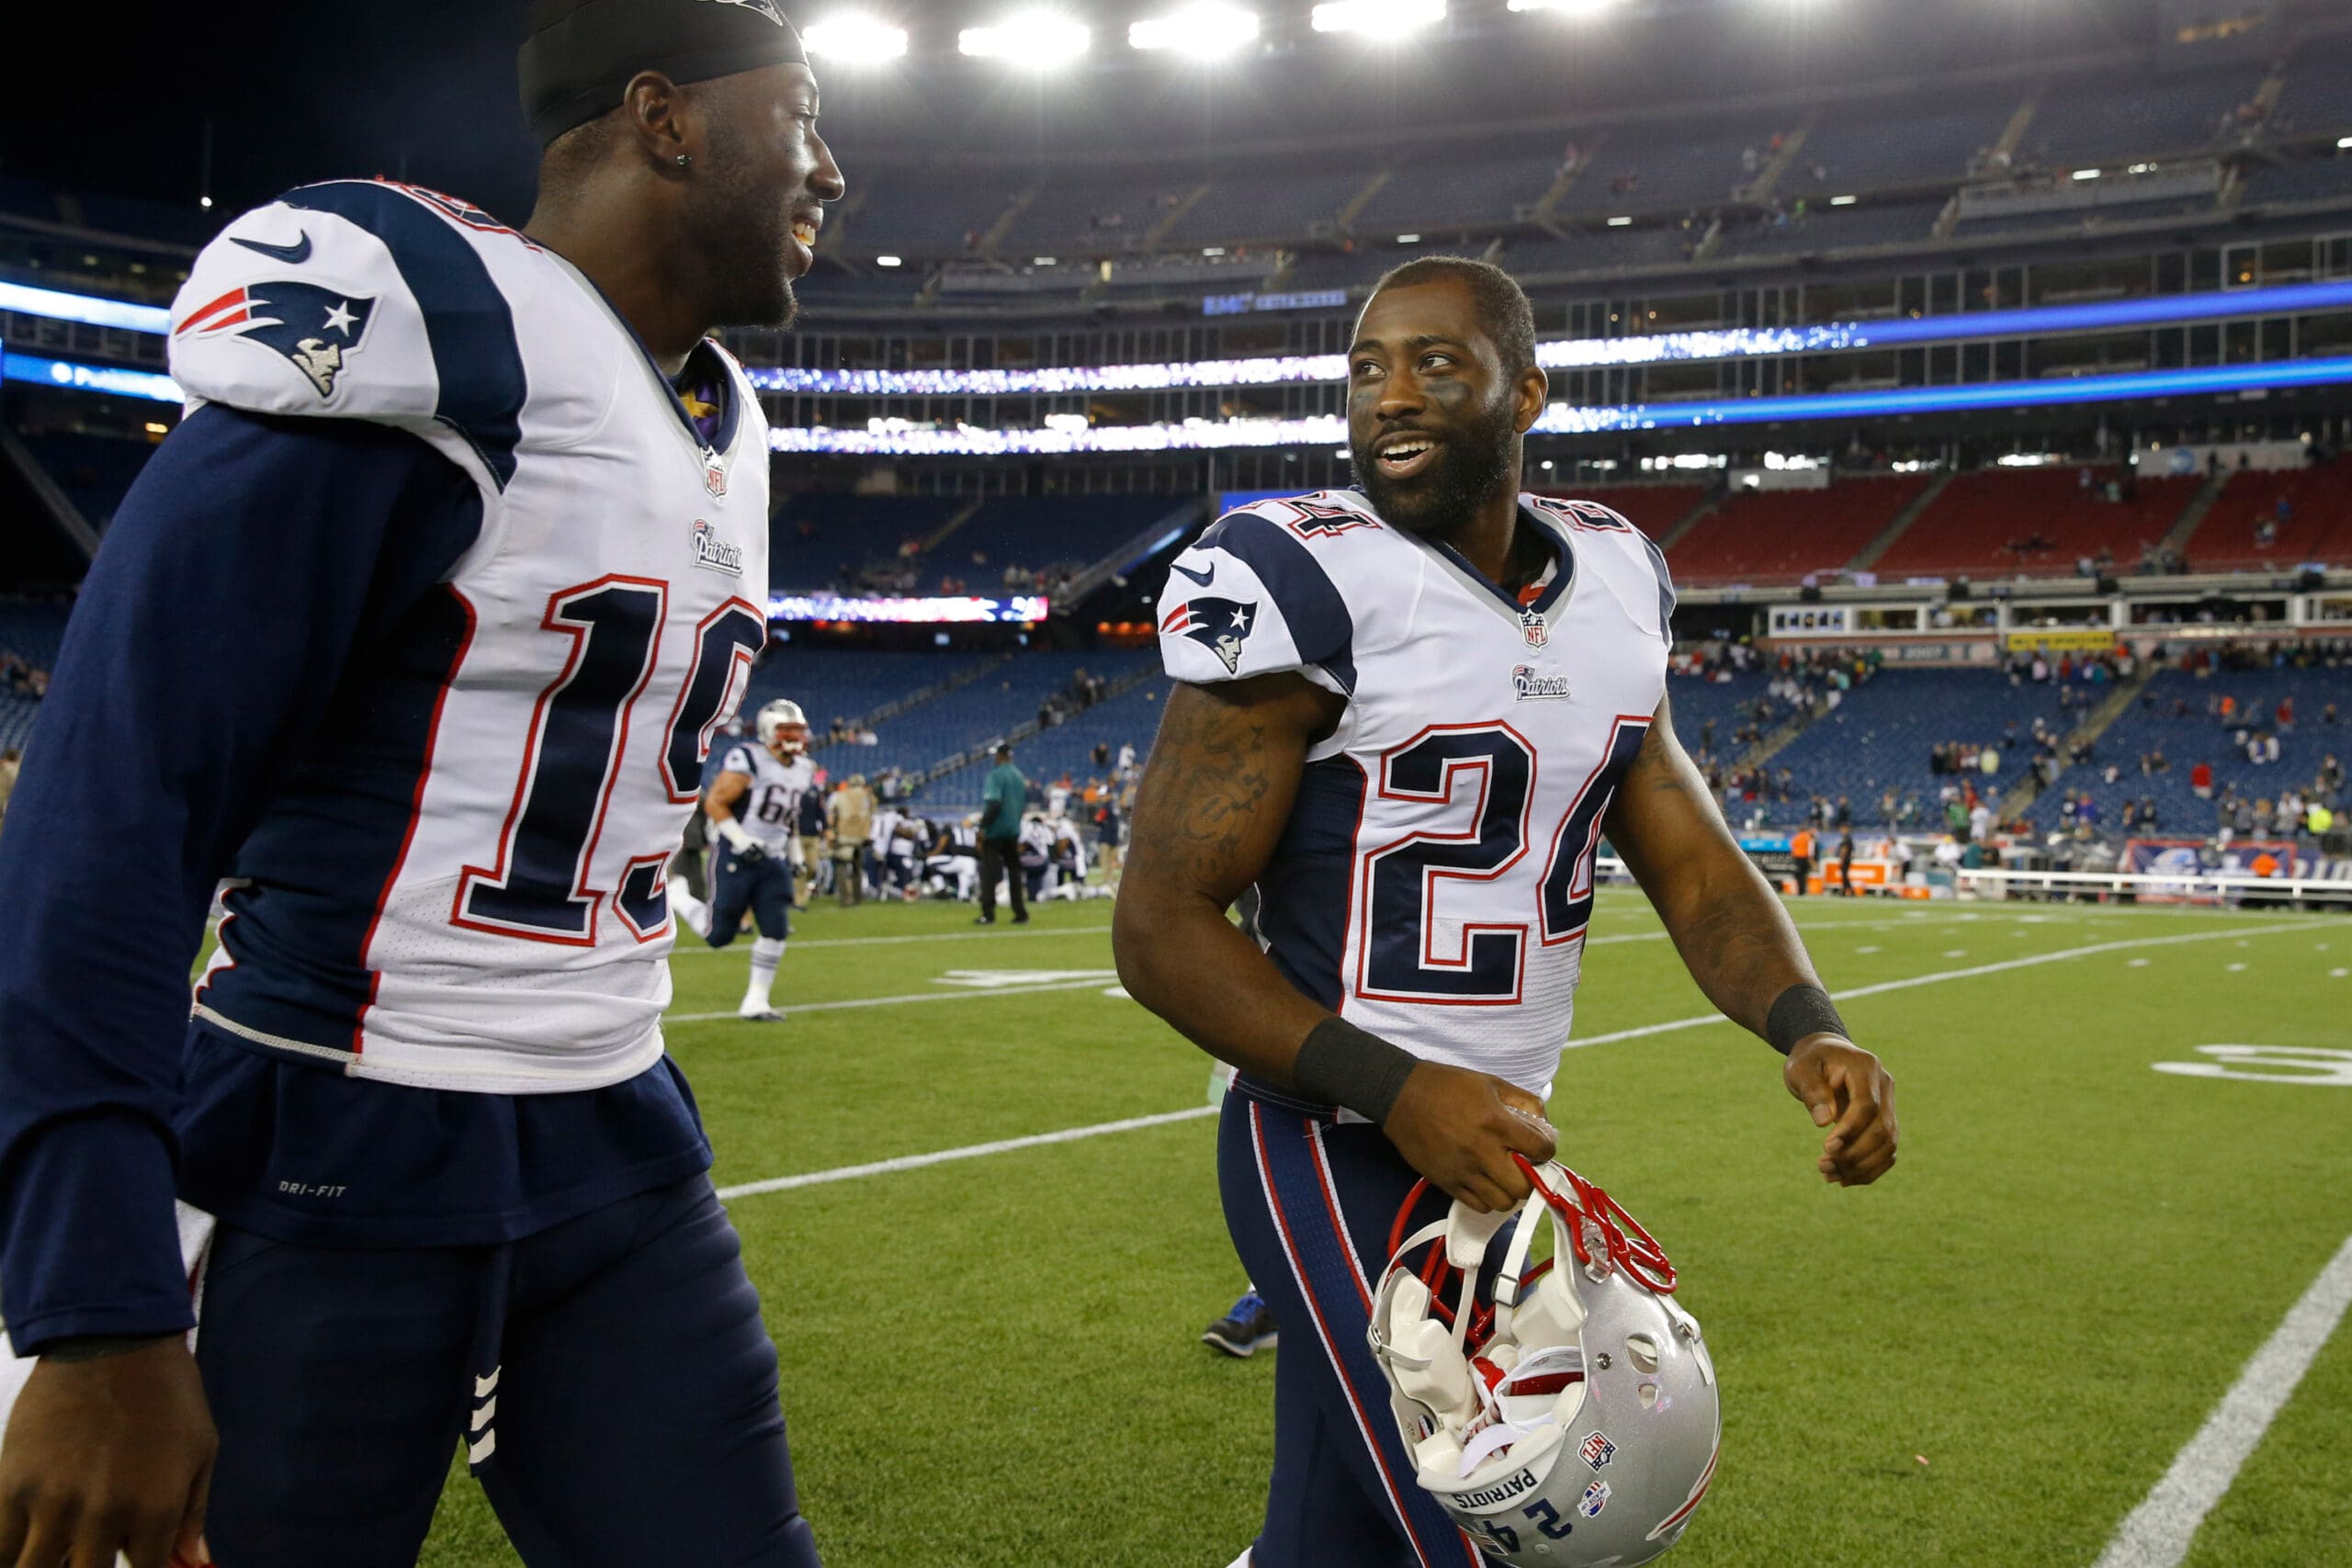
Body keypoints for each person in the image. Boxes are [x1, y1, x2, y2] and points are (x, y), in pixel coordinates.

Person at [0, 4, 843, 1564]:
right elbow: (112, 806)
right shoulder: (437, 321)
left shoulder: (728, 412)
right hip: (323, 1148)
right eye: (801, 115)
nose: (832, 169)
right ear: (666, 120)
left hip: (612, 1149)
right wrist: (92, 1297)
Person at [1113, 256, 1895, 1568]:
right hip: (1329, 1134)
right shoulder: (1294, 574)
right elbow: (1160, 925)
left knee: (1331, 1535)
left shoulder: (1614, 573)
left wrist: (1807, 1022)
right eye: (1366, 368)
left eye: (1434, 361)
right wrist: (1401, 1083)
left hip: (1493, 1150)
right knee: (1513, 1531)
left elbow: (1692, 859)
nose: (1389, 395)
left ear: (1525, 390)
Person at [670, 698, 814, 1021]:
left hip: (773, 859)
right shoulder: (748, 758)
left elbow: (787, 817)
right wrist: (742, 840)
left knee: (776, 928)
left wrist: (795, 853)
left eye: (798, 730)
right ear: (768, 730)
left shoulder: (804, 768)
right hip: (736, 855)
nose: (795, 736)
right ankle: (678, 896)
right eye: (787, 729)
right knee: (718, 935)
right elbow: (716, 803)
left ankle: (756, 1001)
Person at [976, 742, 1028, 925]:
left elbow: (994, 803)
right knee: (1014, 871)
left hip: (996, 830)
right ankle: (1020, 913)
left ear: (999, 756)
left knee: (988, 871)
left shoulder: (995, 775)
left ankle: (988, 914)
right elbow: (1023, 805)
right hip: (1013, 829)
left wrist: (983, 827)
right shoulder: (1019, 776)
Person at [826, 772, 875, 907]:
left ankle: (845, 898)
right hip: (861, 837)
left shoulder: (839, 796)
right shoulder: (868, 796)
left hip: (844, 836)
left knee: (841, 866)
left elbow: (831, 817)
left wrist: (832, 831)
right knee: (857, 868)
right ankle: (858, 897)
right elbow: (872, 815)